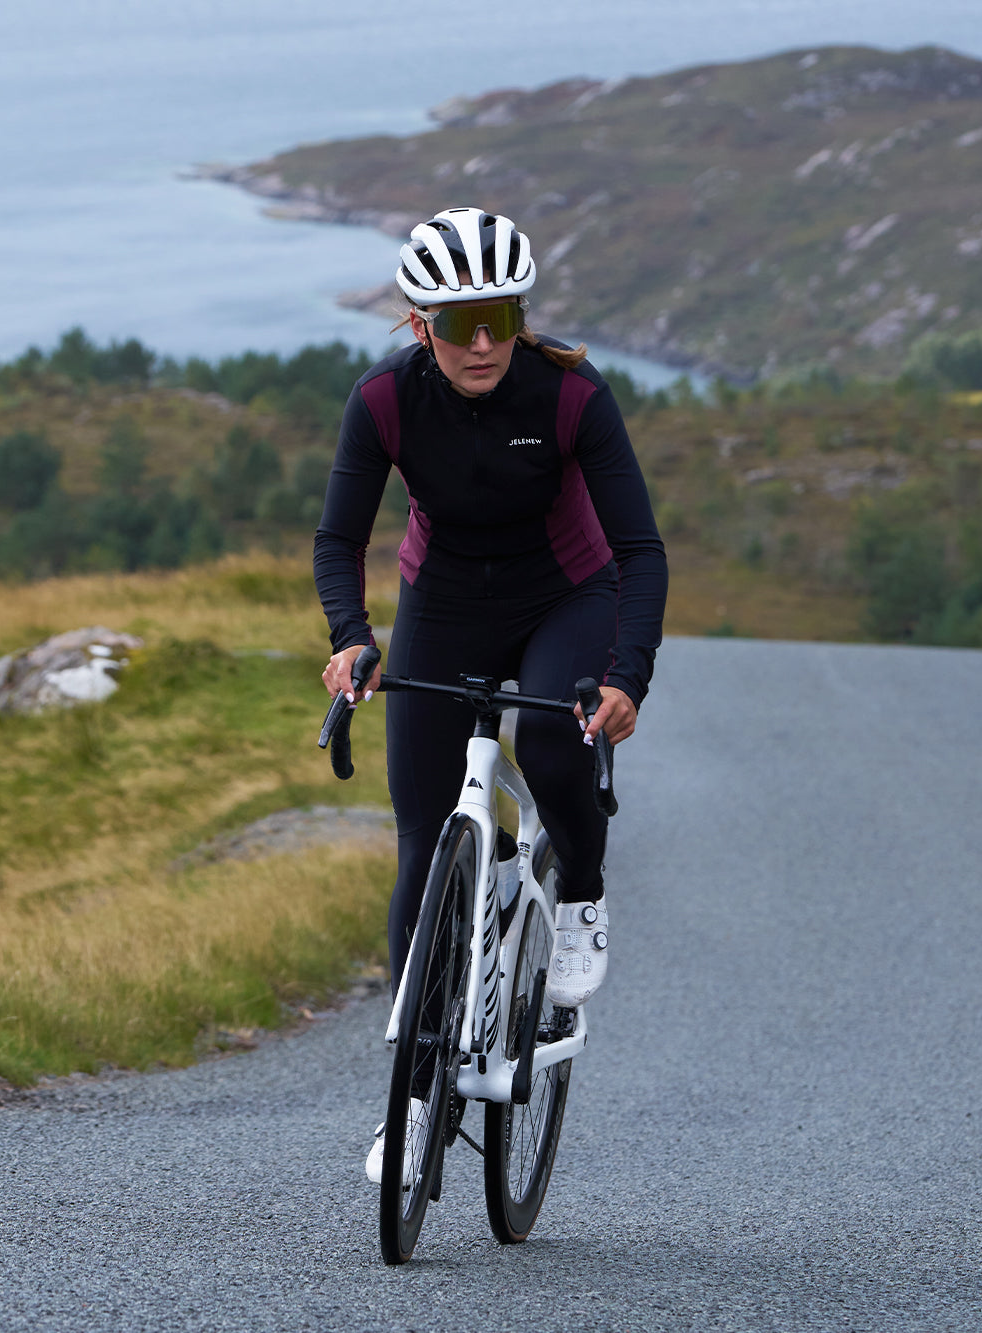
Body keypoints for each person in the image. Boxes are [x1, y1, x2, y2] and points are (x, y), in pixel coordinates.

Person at [313, 206, 667, 1181]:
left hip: (567, 596)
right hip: (444, 601)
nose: (482, 343)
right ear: (418, 322)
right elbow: (340, 539)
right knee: (423, 840)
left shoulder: (571, 395)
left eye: (502, 318)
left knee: (550, 743)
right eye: (460, 322)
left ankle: (581, 893)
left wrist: (626, 677)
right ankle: (412, 1099)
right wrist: (352, 638)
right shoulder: (383, 399)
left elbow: (639, 550)